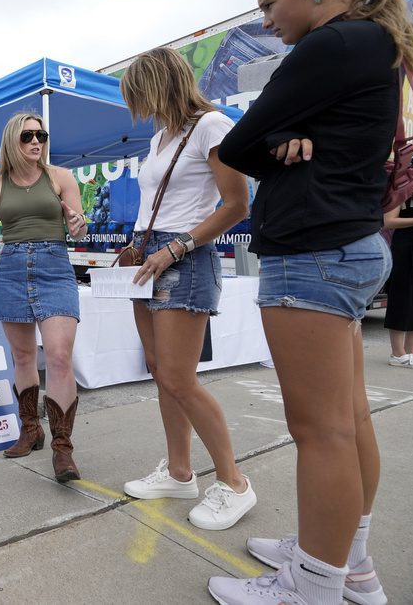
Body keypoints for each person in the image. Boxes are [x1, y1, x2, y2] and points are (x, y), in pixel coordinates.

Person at [208, 0, 413, 604]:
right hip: (350, 245)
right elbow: (286, 134)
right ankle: (347, 563)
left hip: (312, 251)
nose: (268, 21)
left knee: (319, 431)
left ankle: (314, 585)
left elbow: (237, 144)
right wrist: (286, 135)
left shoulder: (330, 44)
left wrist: (272, 137)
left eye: (273, 4)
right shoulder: (375, 40)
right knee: (347, 420)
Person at [118, 48, 256, 531]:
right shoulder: (161, 136)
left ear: (159, 84)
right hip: (146, 255)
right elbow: (156, 202)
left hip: (184, 258)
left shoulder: (210, 125)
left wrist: (173, 248)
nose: (138, 106)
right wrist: (136, 246)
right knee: (162, 373)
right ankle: (179, 472)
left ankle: (235, 482)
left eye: (140, 94)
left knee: (179, 378)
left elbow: (236, 204)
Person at [0, 112, 88, 483]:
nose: (37, 141)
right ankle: (30, 428)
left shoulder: (61, 177)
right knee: (22, 356)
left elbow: (79, 230)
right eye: (28, 136)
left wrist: (78, 225)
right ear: (12, 142)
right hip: (12, 266)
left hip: (54, 266)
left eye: (41, 135)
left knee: (57, 355)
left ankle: (62, 448)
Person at [383, 155, 413, 368]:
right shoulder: (401, 186)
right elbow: (388, 221)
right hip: (405, 248)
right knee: (401, 297)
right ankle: (398, 353)